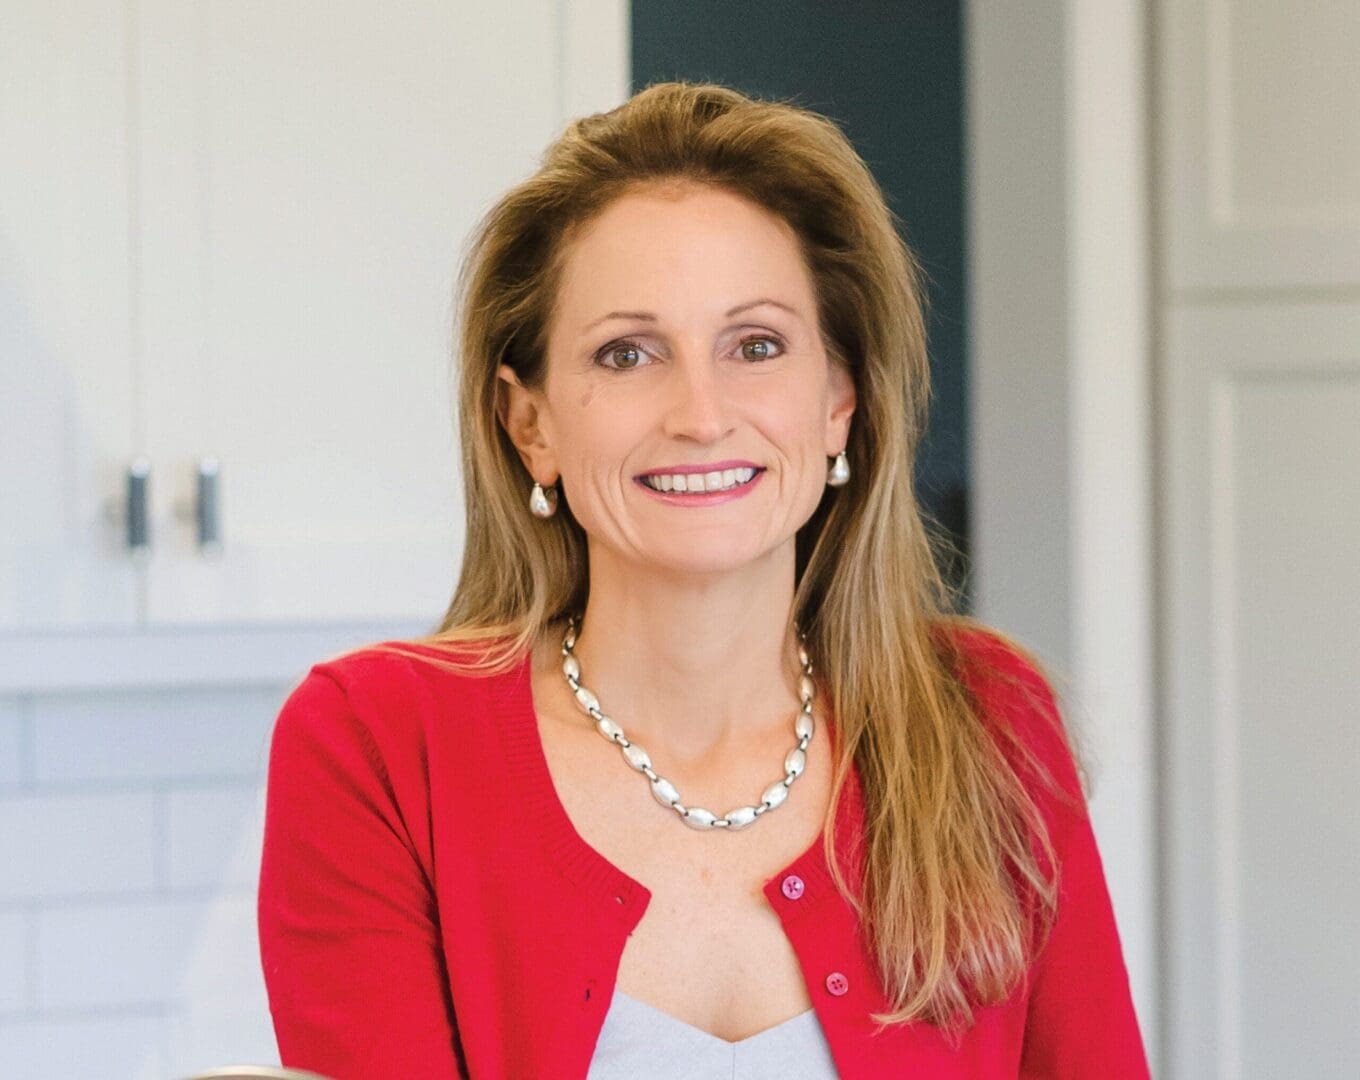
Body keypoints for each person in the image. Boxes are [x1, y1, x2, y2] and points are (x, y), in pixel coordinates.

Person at [256, 80, 1150, 1079]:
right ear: (531, 425)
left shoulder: (984, 722)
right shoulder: (377, 746)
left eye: (756, 345)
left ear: (837, 404)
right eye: (627, 353)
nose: (700, 412)